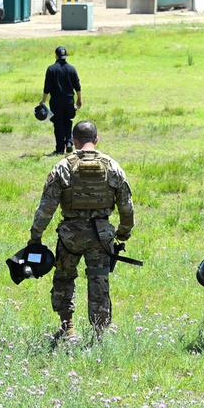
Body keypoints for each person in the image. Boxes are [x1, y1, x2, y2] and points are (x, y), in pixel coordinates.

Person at [28, 120, 134, 340]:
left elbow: (46, 208)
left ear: (74, 141)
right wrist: (123, 233)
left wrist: (35, 237)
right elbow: (126, 206)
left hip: (70, 237)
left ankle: (68, 328)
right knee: (99, 281)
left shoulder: (63, 166)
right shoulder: (112, 166)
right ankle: (99, 334)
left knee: (65, 278)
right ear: (96, 140)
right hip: (102, 236)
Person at [40, 46, 82, 155]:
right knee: (68, 121)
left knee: (58, 123)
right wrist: (79, 99)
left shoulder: (51, 69)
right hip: (69, 101)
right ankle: (69, 142)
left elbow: (47, 87)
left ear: (56, 55)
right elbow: (77, 85)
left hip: (56, 101)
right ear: (65, 56)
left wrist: (43, 101)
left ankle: (60, 148)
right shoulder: (72, 69)